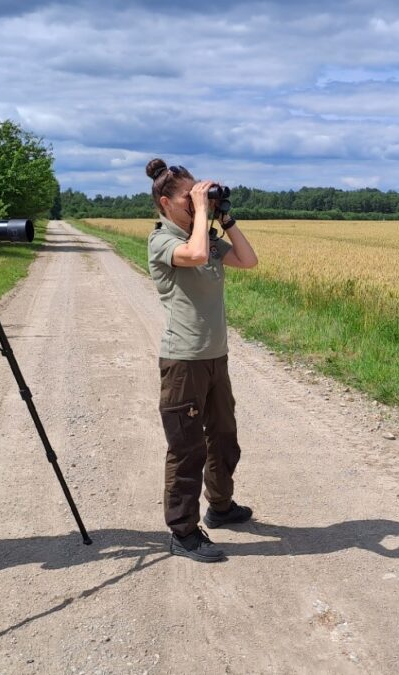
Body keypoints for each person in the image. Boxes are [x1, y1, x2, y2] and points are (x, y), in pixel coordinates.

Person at [144, 159, 259, 562]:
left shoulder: (206, 237)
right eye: (188, 198)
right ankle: (183, 532)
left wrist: (225, 220)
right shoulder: (163, 240)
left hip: (216, 356)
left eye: (200, 195)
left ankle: (221, 506)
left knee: (224, 437)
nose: (197, 204)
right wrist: (203, 213)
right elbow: (193, 254)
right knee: (186, 447)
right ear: (165, 202)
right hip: (184, 360)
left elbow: (248, 260)